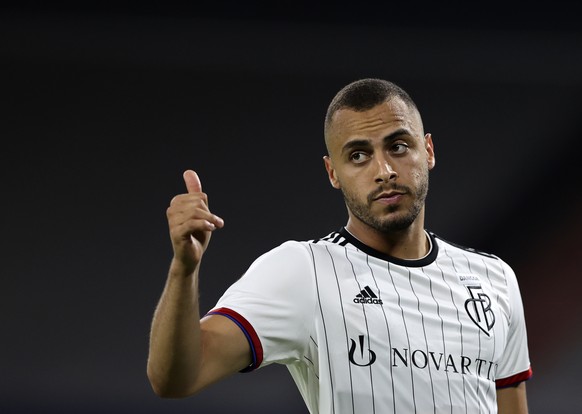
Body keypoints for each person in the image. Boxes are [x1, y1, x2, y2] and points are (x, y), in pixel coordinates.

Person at [147, 78, 532, 413]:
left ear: (427, 151)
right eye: (359, 155)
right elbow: (176, 379)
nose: (384, 171)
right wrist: (184, 268)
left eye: (398, 146)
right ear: (333, 172)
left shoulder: (494, 279)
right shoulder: (302, 271)